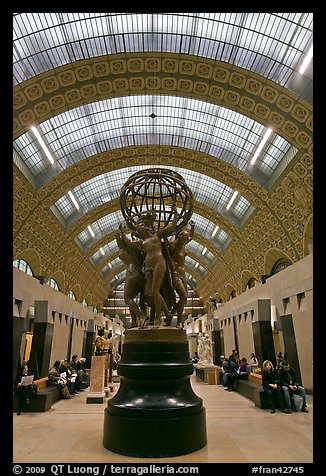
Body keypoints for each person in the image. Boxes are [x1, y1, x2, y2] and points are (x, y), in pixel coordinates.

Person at [131, 206, 179, 326]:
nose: (144, 226)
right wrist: (121, 235)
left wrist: (176, 215)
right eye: (140, 225)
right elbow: (127, 244)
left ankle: (158, 317)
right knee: (151, 292)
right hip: (147, 266)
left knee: (155, 290)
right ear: (138, 229)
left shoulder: (157, 235)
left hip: (159, 262)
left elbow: (171, 227)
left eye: (143, 224)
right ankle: (167, 314)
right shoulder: (141, 242)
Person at [115, 224, 147, 328]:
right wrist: (119, 236)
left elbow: (124, 244)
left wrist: (122, 233)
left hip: (133, 272)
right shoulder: (143, 246)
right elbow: (122, 244)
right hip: (142, 275)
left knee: (127, 298)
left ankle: (141, 316)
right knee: (131, 299)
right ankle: (134, 322)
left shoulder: (135, 245)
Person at [168, 220, 195, 327]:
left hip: (183, 274)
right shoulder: (174, 247)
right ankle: (173, 316)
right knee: (183, 296)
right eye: (185, 237)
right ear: (181, 237)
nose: (187, 239)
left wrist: (192, 228)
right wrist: (174, 234)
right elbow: (170, 242)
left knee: (184, 300)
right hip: (175, 274)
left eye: (187, 237)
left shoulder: (183, 245)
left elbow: (191, 237)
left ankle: (178, 320)